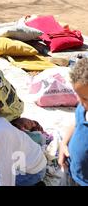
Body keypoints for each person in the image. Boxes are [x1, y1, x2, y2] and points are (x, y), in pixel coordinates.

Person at [58, 58, 88, 186]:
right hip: (71, 171)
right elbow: (76, 124)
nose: (80, 102)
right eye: (78, 95)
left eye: (85, 98)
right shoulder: (83, 107)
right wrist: (64, 144)